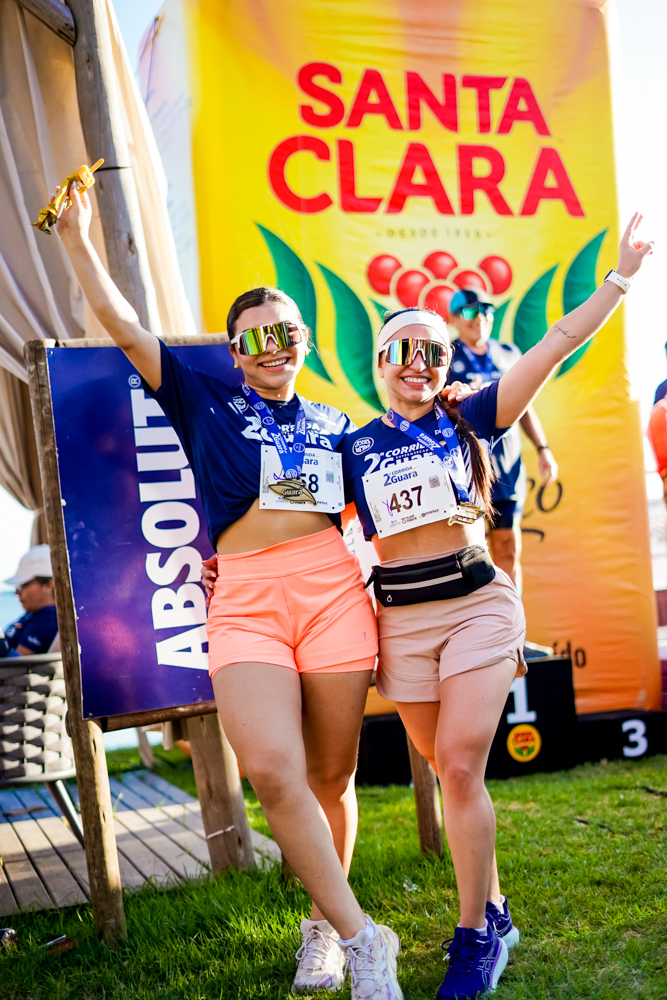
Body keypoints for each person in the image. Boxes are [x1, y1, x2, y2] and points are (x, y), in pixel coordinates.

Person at [54, 180, 414, 999]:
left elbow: (392, 497)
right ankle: (364, 938)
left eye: (286, 333)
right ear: (235, 349)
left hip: (331, 594)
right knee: (275, 774)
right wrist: (76, 237)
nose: (273, 347)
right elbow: (122, 324)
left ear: (304, 341)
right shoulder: (199, 395)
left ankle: (321, 931)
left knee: (331, 779)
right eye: (256, 337)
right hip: (247, 601)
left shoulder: (336, 426)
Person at [340, 216, 652, 1000]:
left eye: (432, 351)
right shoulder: (351, 447)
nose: (418, 363)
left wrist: (618, 278)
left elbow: (552, 345)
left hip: (476, 606)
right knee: (451, 776)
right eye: (403, 349)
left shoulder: (471, 415)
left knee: (458, 763)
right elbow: (303, 526)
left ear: (447, 362)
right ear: (379, 362)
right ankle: (497, 908)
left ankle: (474, 936)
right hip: (400, 622)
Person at [448, 288, 558, 591]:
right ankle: (482, 618)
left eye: (486, 310)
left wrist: (543, 448)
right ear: (454, 319)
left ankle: (513, 618)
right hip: (464, 471)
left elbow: (525, 406)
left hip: (506, 467)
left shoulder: (509, 353)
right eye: (470, 311)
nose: (480, 318)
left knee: (508, 546)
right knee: (470, 553)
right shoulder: (446, 356)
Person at [1, 545, 58, 657]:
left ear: (49, 585)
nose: (16, 592)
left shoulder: (46, 619)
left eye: (23, 585)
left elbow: (20, 664)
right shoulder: (33, 615)